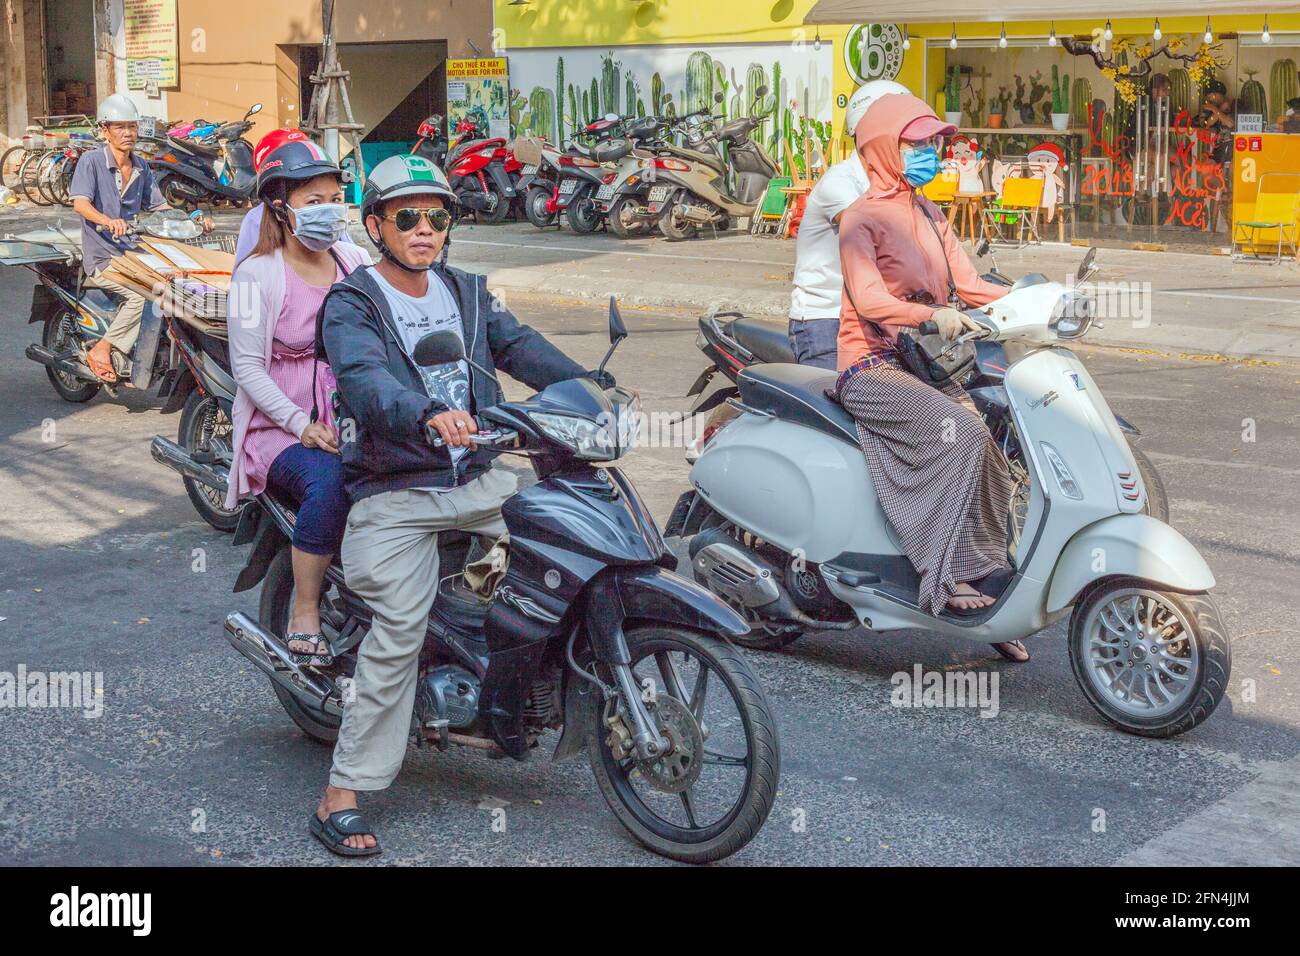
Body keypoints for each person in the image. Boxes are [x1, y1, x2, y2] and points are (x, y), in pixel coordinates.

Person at [310, 154, 596, 856]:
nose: (423, 229)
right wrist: (425, 413)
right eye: (406, 216)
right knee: (399, 628)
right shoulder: (353, 302)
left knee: (575, 538)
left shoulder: (468, 291)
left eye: (437, 216)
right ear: (375, 224)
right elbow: (364, 380)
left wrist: (593, 387)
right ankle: (340, 795)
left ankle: (516, 684)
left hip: (477, 476)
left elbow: (522, 348)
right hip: (396, 490)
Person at [835, 92, 1028, 663]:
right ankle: (942, 578)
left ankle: (990, 575)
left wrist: (1037, 297)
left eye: (932, 143)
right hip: (871, 366)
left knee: (991, 448)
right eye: (916, 144)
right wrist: (927, 313)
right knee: (959, 435)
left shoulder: (929, 212)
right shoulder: (860, 219)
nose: (930, 154)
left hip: (923, 362)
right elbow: (869, 298)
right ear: (884, 149)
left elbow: (971, 285)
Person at [225, 140, 369, 665]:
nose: (329, 209)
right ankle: (304, 609)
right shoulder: (254, 275)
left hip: (351, 414)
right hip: (278, 430)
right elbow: (247, 369)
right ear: (280, 208)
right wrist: (300, 424)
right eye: (314, 201)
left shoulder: (354, 260)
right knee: (330, 481)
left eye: (335, 197)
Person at [69, 93, 213, 382]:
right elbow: (80, 203)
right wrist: (108, 221)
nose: (127, 133)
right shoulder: (91, 162)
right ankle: (102, 348)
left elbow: (159, 206)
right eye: (120, 126)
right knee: (140, 297)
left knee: (173, 286)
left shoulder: (141, 167)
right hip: (102, 257)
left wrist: (192, 218)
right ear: (105, 130)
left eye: (131, 126)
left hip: (133, 253)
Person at [789, 80, 907, 369]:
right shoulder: (842, 183)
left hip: (872, 319)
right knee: (842, 412)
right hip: (825, 323)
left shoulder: (893, 183)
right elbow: (881, 236)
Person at [233, 127, 356, 266]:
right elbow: (243, 278)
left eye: (336, 199)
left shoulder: (354, 257)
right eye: (314, 201)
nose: (326, 207)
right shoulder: (256, 269)